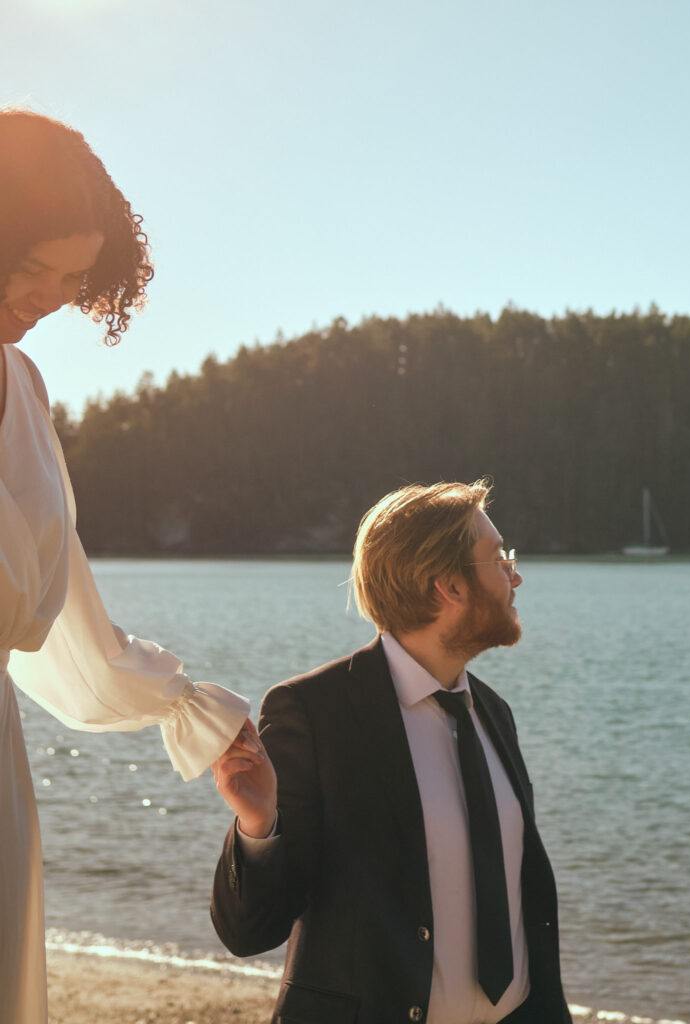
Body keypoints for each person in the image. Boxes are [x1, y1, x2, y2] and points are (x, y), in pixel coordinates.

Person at [0, 108, 258, 1023]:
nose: (45, 300)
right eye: (30, 269)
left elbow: (69, 625)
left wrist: (181, 702)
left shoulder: (23, 391)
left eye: (70, 282)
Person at [211, 481, 572, 1024]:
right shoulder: (314, 711)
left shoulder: (493, 712)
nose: (515, 574)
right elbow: (249, 931)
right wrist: (258, 825)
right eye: (499, 559)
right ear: (448, 585)